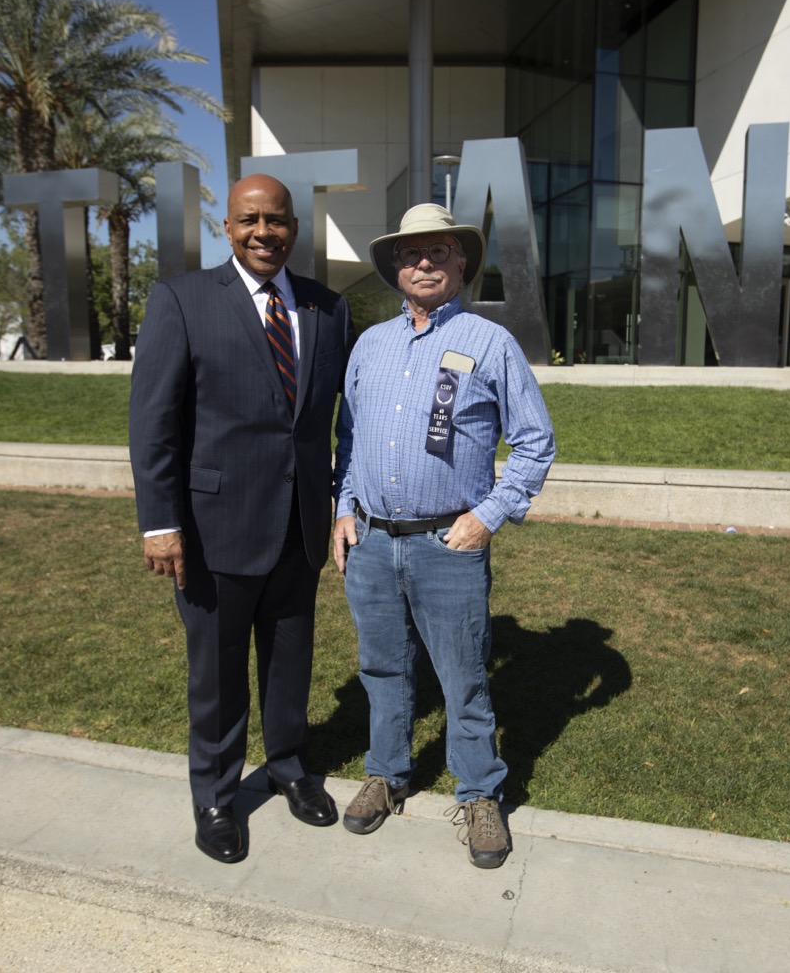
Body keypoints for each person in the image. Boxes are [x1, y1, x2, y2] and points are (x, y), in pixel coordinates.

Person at [129, 173, 355, 864]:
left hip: (298, 525)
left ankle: (288, 766)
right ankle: (217, 796)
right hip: (212, 529)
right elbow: (153, 422)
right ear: (226, 227)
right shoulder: (182, 300)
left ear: (294, 228)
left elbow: (340, 418)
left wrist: (339, 498)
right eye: (250, 219)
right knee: (218, 673)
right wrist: (159, 521)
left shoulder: (326, 308)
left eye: (278, 220)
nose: (265, 232)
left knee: (291, 660)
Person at [331, 203, 556, 868]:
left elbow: (536, 443)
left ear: (461, 263)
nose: (423, 262)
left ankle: (481, 792)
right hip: (370, 542)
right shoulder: (369, 345)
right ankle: (388, 772)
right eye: (410, 253)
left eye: (437, 251)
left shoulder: (490, 344)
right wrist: (343, 509)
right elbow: (349, 443)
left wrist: (488, 516)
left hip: (446, 548)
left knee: (462, 677)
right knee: (382, 667)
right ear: (394, 267)